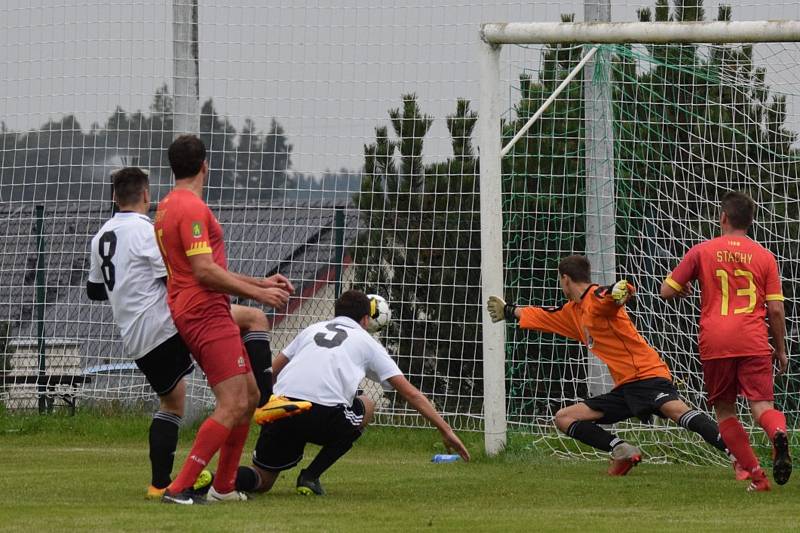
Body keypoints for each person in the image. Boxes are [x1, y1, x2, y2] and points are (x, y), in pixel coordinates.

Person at [487, 255, 730, 476]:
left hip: (647, 376)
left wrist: (621, 290)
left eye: (560, 281)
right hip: (625, 388)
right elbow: (542, 315)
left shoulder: (595, 298)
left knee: (679, 413)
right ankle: (622, 450)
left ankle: (738, 455)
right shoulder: (573, 312)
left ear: (565, 279)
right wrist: (509, 311)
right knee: (564, 417)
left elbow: (612, 294)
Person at [154, 134, 296, 504]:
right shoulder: (192, 209)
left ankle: (225, 486)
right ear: (205, 165)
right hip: (204, 312)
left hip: (199, 308)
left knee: (249, 397)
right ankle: (181, 486)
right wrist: (258, 294)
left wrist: (259, 282)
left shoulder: (168, 205)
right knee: (233, 402)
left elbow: (205, 269)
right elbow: (204, 271)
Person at [234, 290, 471, 496]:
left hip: (282, 408)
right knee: (366, 404)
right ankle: (310, 477)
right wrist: (446, 430)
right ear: (366, 320)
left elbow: (272, 372)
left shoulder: (311, 329)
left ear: (337, 313)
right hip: (322, 416)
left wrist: (255, 405)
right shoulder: (367, 342)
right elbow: (411, 394)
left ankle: (216, 479)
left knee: (262, 481)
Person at [87, 167, 211, 499]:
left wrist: (126, 283)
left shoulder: (100, 237)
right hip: (162, 325)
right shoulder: (146, 231)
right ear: (146, 195)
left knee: (171, 401)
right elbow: (172, 277)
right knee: (239, 322)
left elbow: (94, 291)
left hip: (135, 336)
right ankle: (167, 483)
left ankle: (162, 483)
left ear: (114, 197)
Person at [660, 190, 790, 492]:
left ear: (723, 217)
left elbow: (666, 290)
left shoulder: (702, 251)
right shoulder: (765, 256)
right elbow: (775, 309)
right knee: (762, 406)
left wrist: (682, 288)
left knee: (725, 411)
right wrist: (781, 349)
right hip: (754, 339)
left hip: (715, 341)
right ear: (751, 221)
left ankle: (758, 478)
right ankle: (778, 433)